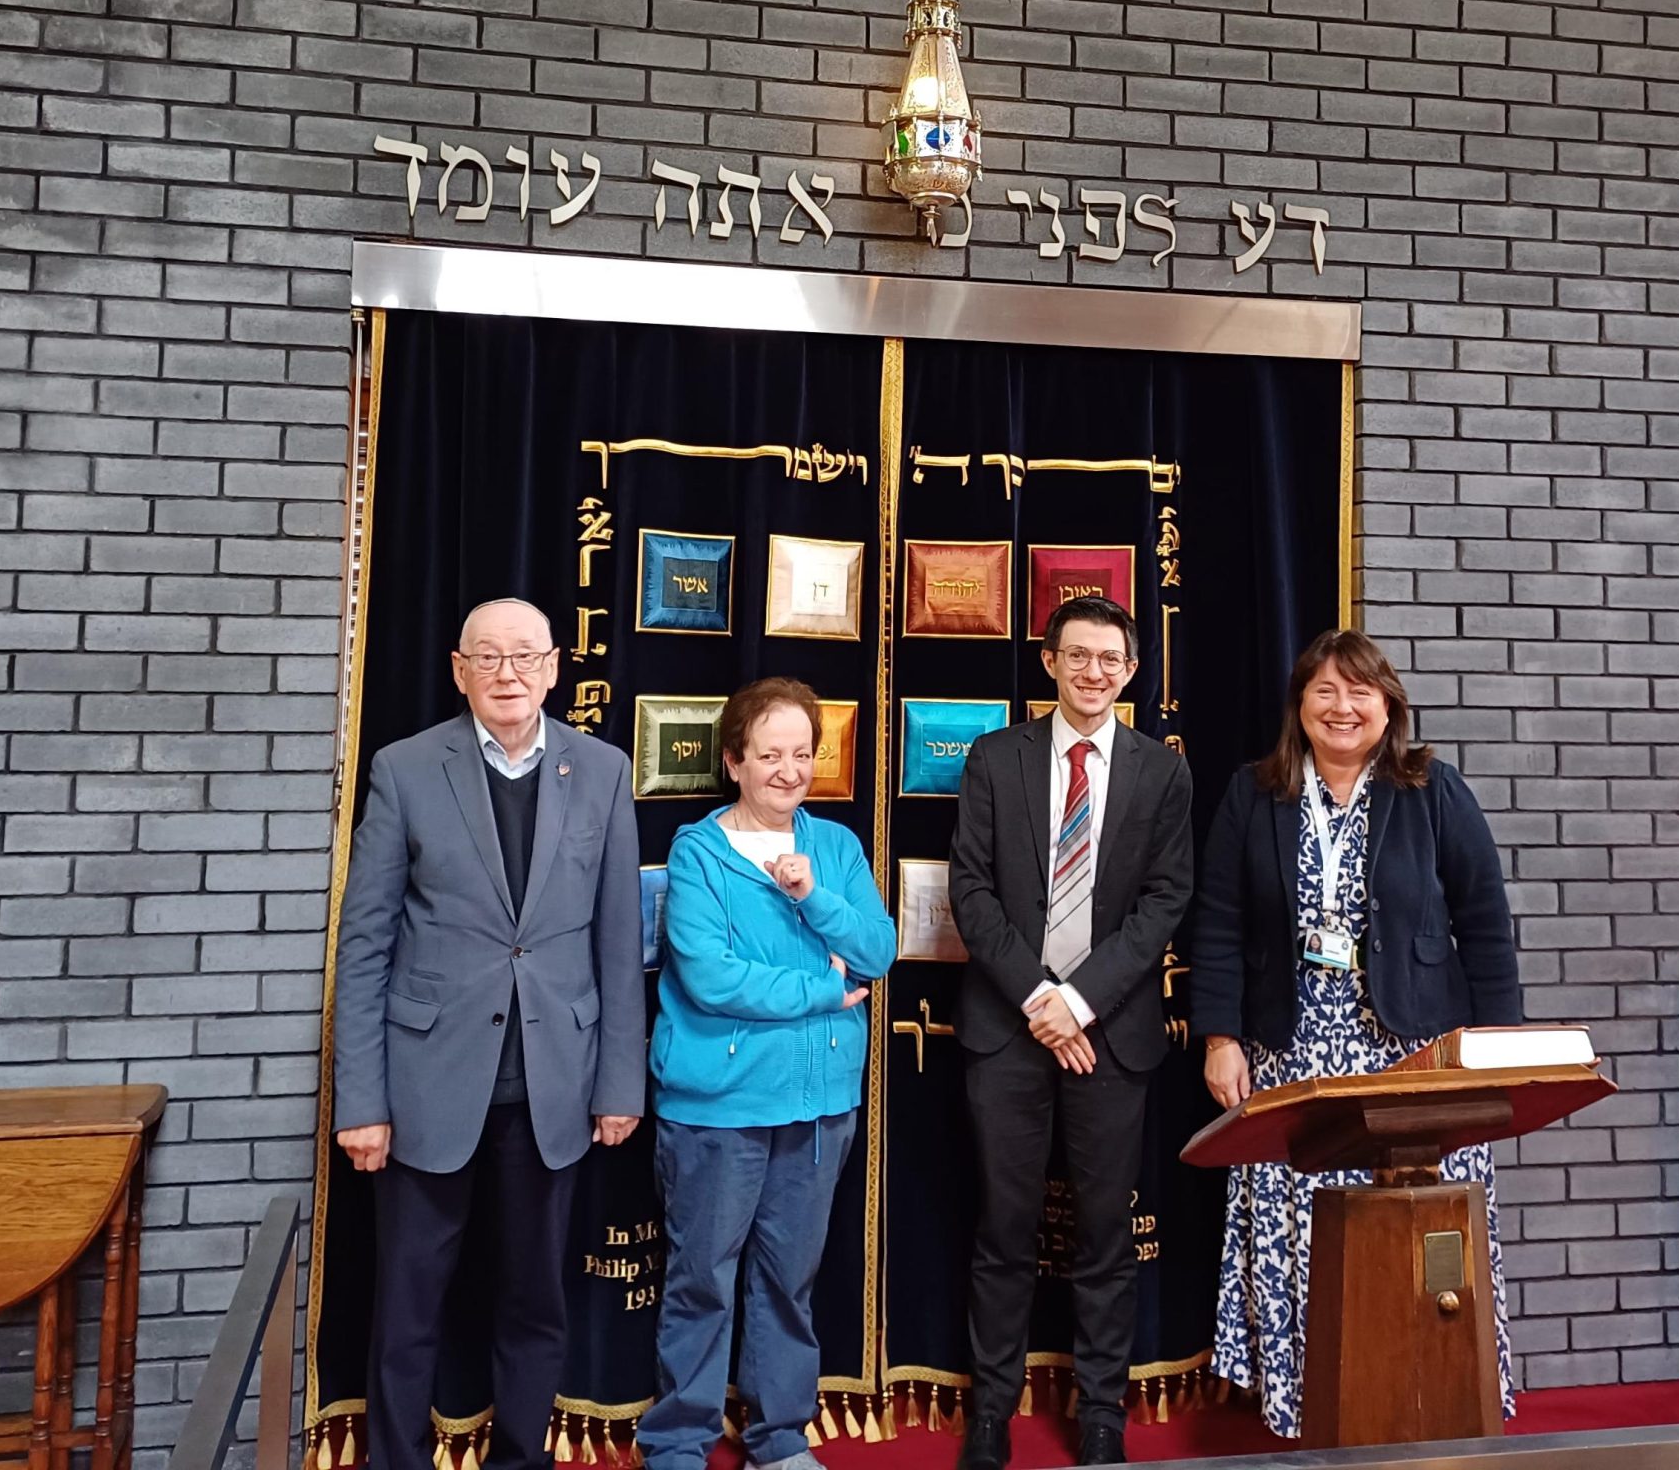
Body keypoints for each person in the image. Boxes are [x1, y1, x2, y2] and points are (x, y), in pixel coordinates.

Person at [332, 598, 646, 1470]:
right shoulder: (404, 769)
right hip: (426, 1088)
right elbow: (365, 946)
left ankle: (519, 1459)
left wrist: (621, 1081)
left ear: (553, 668)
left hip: (554, 1088)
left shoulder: (604, 769)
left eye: (525, 656)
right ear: (459, 669)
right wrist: (361, 1099)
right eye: (489, 657)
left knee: (535, 1305)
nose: (508, 673)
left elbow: (618, 940)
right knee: (406, 1310)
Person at [1188, 628, 1523, 1434]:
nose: (1343, 708)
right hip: (1291, 1050)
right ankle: (1315, 1408)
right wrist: (1220, 1037)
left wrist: (1497, 1054)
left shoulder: (1431, 790)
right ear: (1300, 706)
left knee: (1423, 1228)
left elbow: (1485, 922)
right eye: (1325, 692)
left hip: (1412, 1055)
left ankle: (1436, 1394)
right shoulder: (1255, 793)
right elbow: (1220, 922)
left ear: (1388, 705)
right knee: (1300, 1233)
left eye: (1360, 692)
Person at [948, 595, 1195, 1470]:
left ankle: (1102, 1412)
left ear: (1131, 672)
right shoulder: (993, 758)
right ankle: (990, 1410)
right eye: (1079, 655)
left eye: (1112, 660)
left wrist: (1080, 1002)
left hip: (1110, 1034)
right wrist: (1040, 1001)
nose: (1095, 672)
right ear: (1049, 662)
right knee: (1002, 1229)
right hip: (1008, 1032)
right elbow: (969, 893)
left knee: (1105, 1233)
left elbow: (1167, 900)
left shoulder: (1161, 773)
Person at [640, 678, 898, 1470]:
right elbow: (713, 978)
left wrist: (814, 896)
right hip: (719, 1107)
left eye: (801, 754)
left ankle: (780, 1439)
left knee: (789, 1282)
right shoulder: (698, 852)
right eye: (769, 755)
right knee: (702, 1281)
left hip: (819, 1104)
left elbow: (878, 952)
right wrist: (824, 988)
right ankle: (678, 1443)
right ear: (734, 761)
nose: (787, 770)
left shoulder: (837, 849)